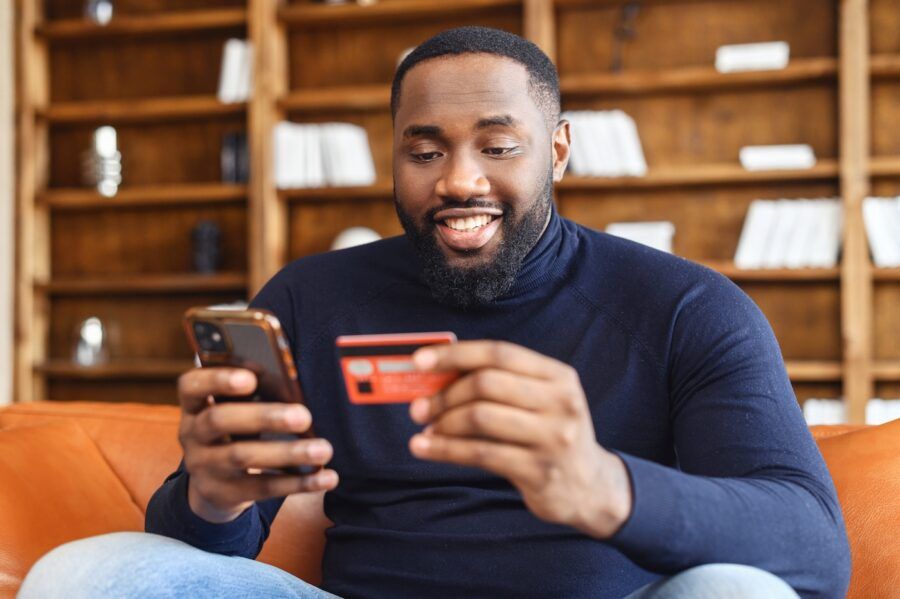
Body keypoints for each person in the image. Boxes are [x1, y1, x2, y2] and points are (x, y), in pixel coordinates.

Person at [20, 26, 850, 599]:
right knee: (83, 572)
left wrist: (608, 488)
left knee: (741, 589)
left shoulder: (688, 307)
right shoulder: (310, 299)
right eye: (425, 150)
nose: (457, 180)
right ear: (395, 154)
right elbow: (208, 554)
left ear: (556, 148)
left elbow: (814, 549)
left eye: (498, 145)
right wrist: (212, 498)